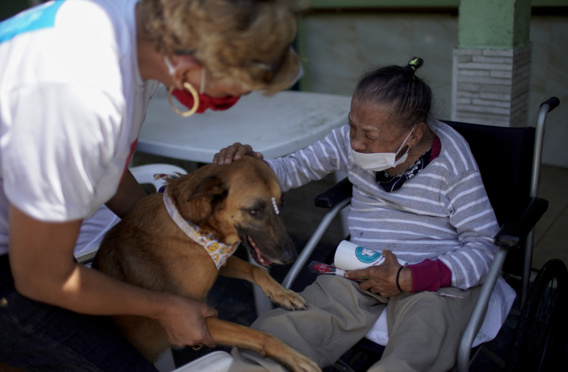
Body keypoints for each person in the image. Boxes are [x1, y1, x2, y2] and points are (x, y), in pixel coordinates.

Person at [0, 0, 301, 370]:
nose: (231, 104)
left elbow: (98, 164)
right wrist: (167, 308)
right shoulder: (81, 97)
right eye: (231, 94)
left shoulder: (138, 27)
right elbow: (42, 276)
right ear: (198, 59)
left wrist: (169, 226)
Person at [213, 58, 513, 372]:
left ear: (413, 135)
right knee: (282, 333)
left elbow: (483, 248)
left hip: (432, 279)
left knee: (415, 354)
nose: (355, 142)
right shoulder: (349, 141)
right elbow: (292, 168)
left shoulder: (452, 163)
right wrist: (250, 166)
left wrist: (410, 278)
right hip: (363, 267)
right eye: (352, 126)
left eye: (369, 136)